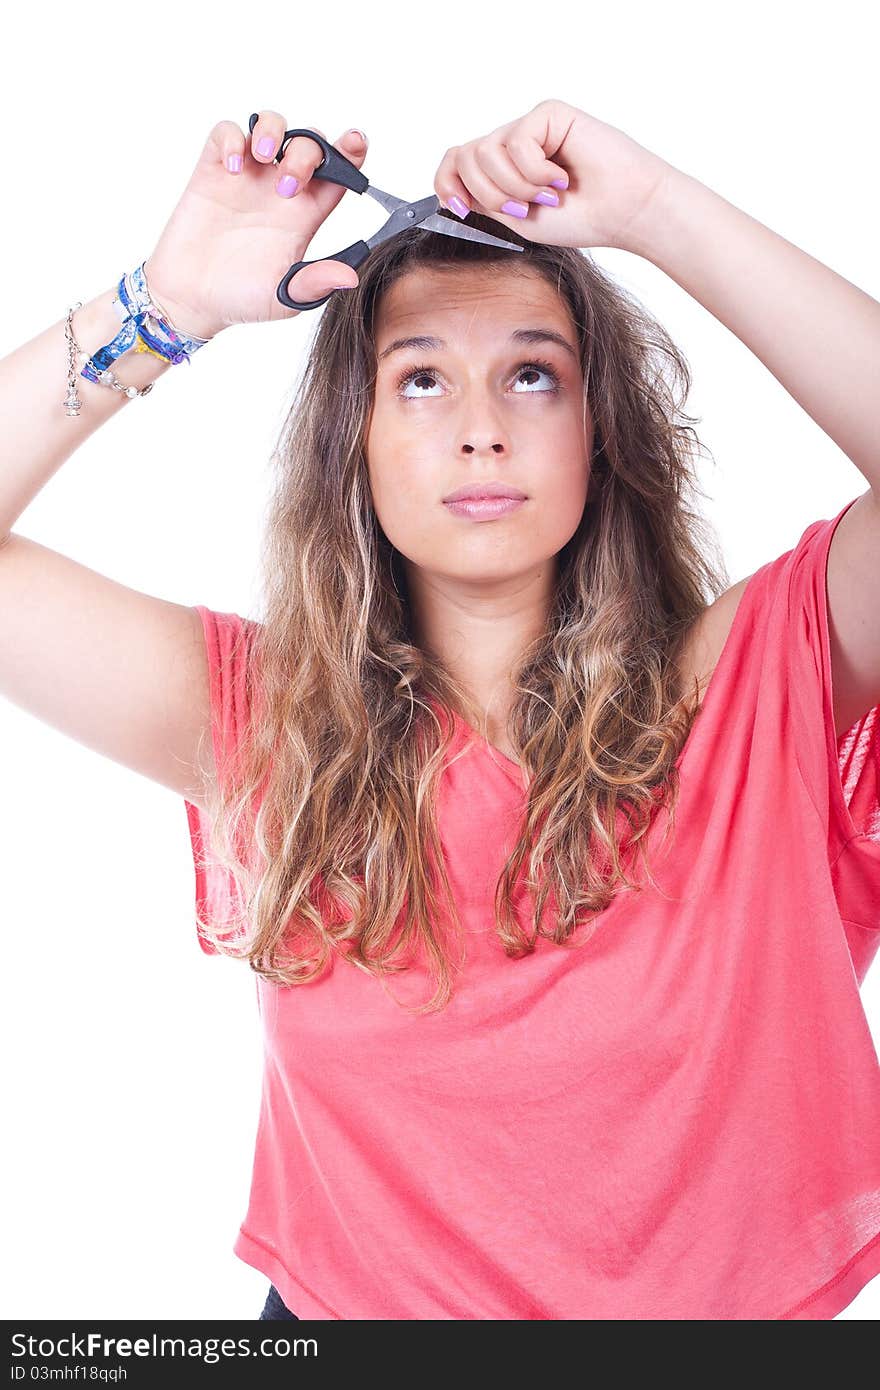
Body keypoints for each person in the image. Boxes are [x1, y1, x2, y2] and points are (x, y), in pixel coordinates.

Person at [2, 99, 879, 1322]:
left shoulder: (745, 691)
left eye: (533, 373)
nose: (480, 429)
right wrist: (167, 303)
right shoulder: (267, 722)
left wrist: (652, 211)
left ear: (596, 431)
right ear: (350, 444)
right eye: (419, 382)